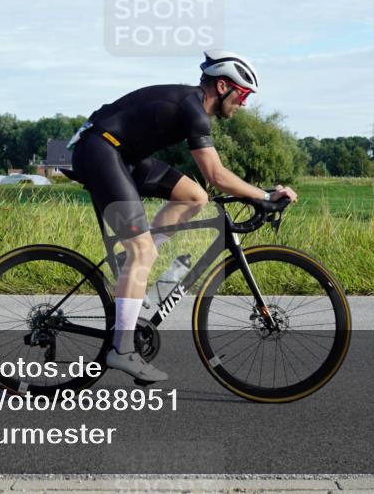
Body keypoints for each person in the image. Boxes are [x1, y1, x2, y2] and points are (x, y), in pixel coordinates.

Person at [69, 50, 298, 382]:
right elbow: (216, 174)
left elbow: (210, 182)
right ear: (223, 87)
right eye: (243, 93)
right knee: (142, 252)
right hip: (98, 151)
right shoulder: (193, 109)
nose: (244, 103)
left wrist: (259, 194)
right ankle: (122, 350)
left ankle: (133, 265)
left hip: (122, 154)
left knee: (195, 197)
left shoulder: (192, 105)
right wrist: (263, 196)